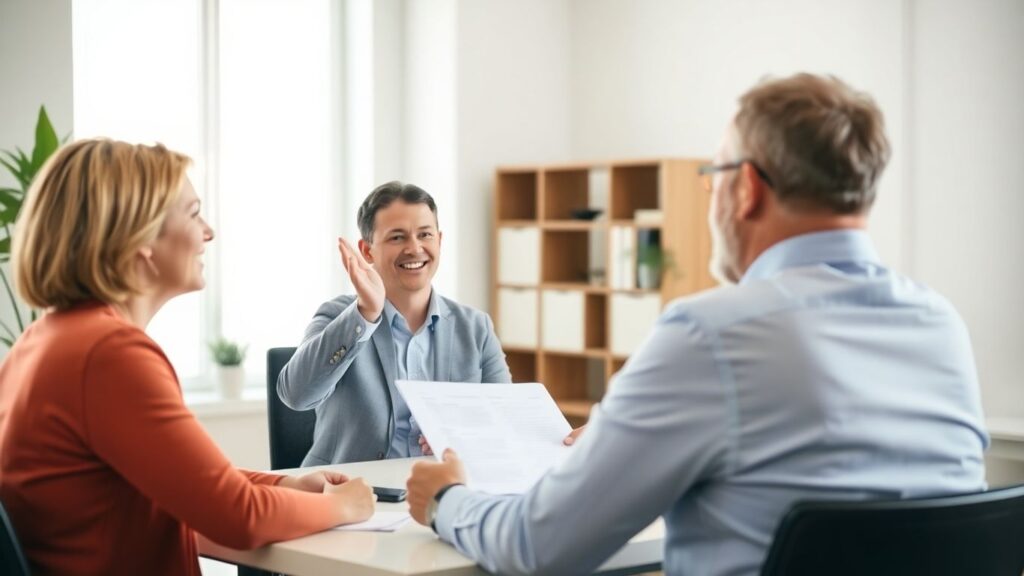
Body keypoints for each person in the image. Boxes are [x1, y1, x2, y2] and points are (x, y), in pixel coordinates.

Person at [406, 73, 989, 576]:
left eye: (712, 177)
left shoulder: (713, 334)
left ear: (746, 190)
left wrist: (447, 500)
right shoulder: (940, 325)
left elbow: (539, 546)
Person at [0, 139, 376, 576]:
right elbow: (238, 515)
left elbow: (192, 483)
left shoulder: (44, 339)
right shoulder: (109, 355)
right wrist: (344, 508)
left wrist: (287, 484)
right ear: (139, 239)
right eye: (194, 213)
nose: (209, 232)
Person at [277, 182, 512, 465]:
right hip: (352, 493)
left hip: (446, 491)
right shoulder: (338, 316)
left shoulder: (476, 327)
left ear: (439, 240)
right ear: (367, 251)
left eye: (425, 235)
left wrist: (465, 438)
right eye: (397, 238)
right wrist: (365, 314)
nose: (415, 249)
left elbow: (504, 422)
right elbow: (296, 395)